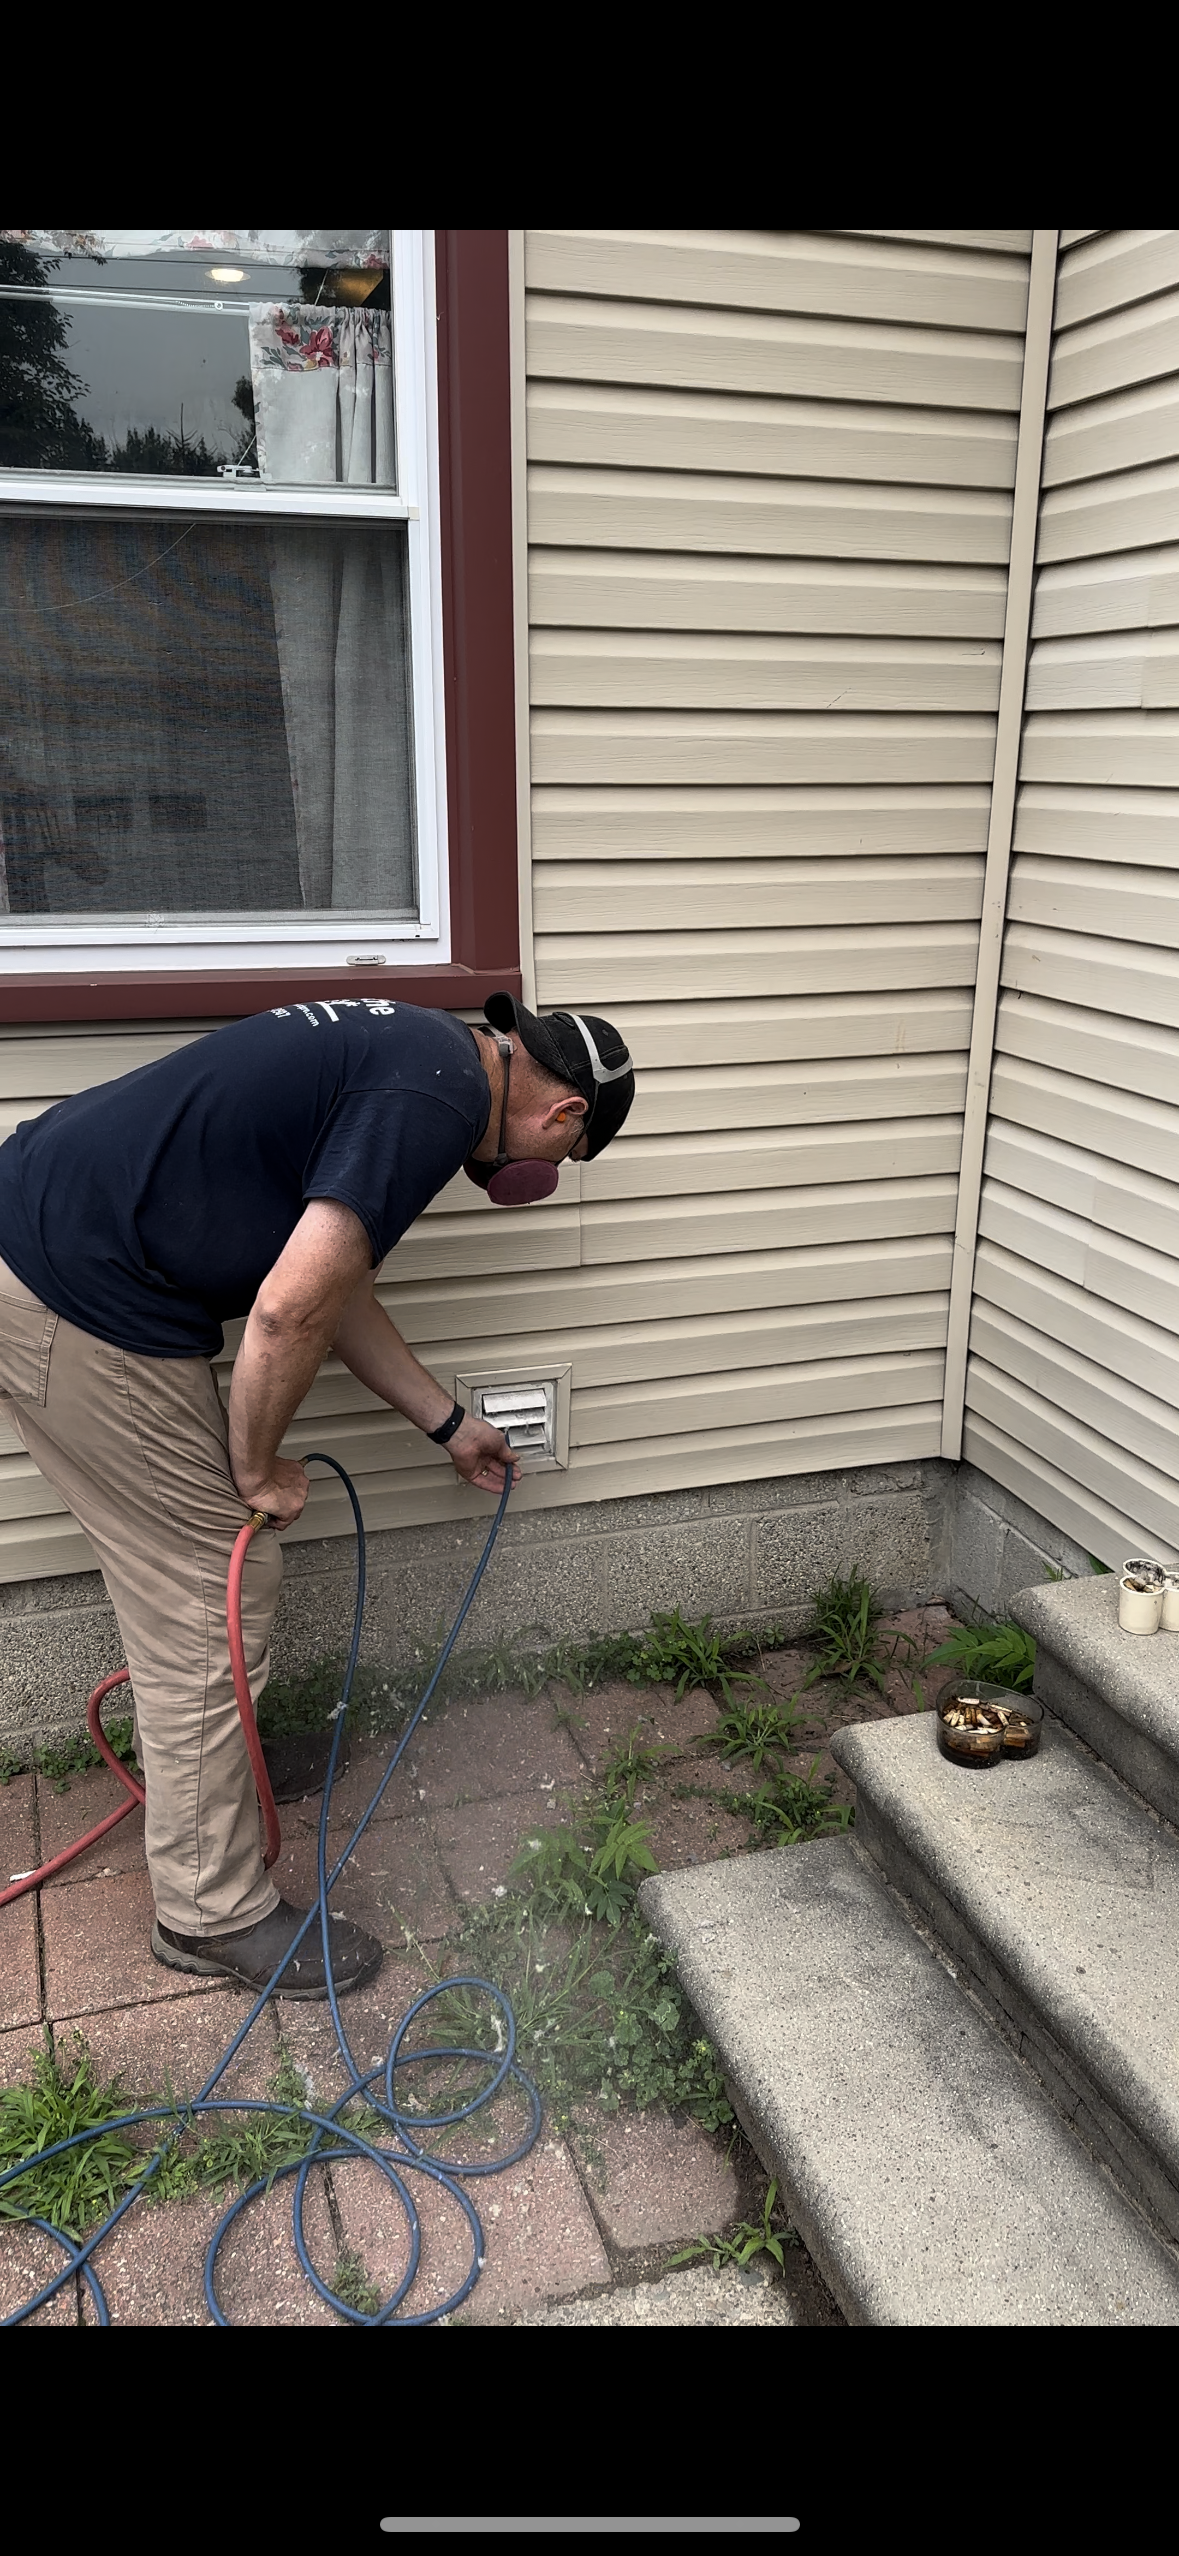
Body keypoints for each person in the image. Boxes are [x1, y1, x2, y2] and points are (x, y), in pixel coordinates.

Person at [0, 990, 634, 1999]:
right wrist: (254, 1469)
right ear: (563, 1119)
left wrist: (445, 1422)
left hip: (56, 1234)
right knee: (212, 1588)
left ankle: (222, 1780)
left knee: (201, 1584)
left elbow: (330, 1284)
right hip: (79, 1289)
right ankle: (211, 1912)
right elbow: (289, 1313)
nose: (528, 1179)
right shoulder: (431, 1102)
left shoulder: (426, 1054)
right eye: (557, 1165)